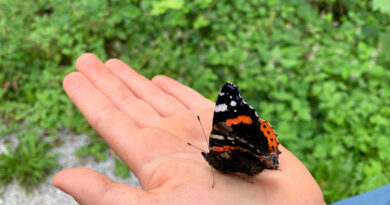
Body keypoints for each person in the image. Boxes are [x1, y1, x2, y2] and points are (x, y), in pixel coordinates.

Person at [53, 53, 326, 204]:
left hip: (257, 159)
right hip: (258, 156)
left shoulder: (219, 152)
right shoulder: (219, 150)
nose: (208, 158)